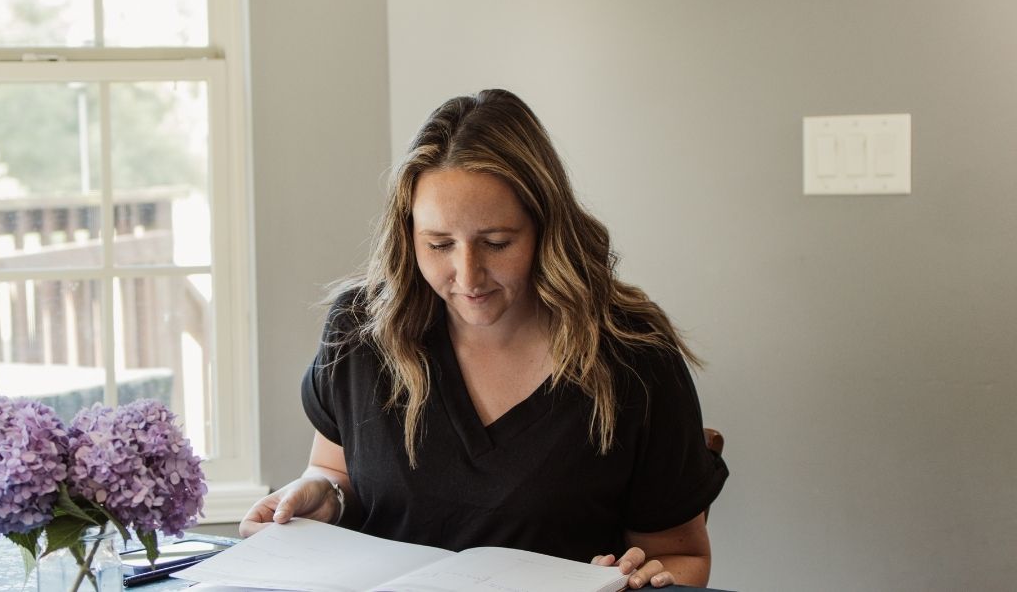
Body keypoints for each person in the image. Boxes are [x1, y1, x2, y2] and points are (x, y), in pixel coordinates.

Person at [240, 89, 728, 589]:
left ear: (546, 227)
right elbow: (335, 470)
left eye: (496, 243)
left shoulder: (631, 356)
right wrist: (324, 493)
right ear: (408, 235)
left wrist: (637, 582)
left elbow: (682, 555)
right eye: (439, 245)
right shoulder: (361, 331)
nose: (468, 276)